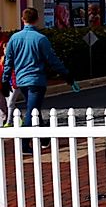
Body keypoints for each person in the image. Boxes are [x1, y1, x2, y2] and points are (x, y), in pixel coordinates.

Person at [1, 8, 75, 153]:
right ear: (37, 20)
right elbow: (53, 60)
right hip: (36, 80)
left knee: (33, 108)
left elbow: (8, 62)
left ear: (23, 19)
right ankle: (24, 143)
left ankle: (44, 138)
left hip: (21, 80)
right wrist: (66, 75)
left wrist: (4, 81)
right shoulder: (41, 39)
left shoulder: (14, 39)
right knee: (31, 110)